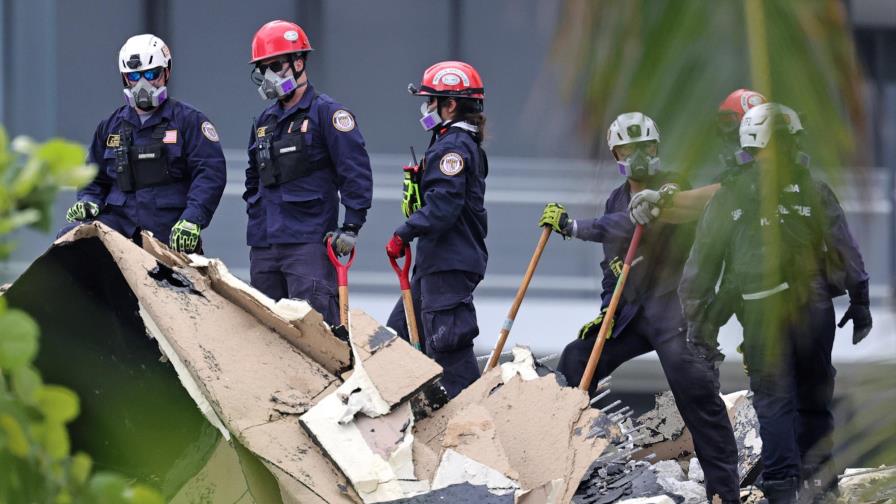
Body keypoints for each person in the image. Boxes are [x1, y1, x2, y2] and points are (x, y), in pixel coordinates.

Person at [541, 112, 741, 504]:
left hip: (673, 310)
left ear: (656, 147)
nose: (638, 155)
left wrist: (577, 226)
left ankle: (725, 495)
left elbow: (631, 225)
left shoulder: (671, 186)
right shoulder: (616, 197)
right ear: (616, 152)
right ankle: (562, 468)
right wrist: (606, 314)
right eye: (628, 148)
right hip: (633, 315)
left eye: (645, 146)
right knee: (578, 359)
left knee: (695, 392)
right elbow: (611, 267)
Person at [679, 103, 872, 503]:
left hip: (764, 312)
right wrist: (860, 300)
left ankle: (783, 488)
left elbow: (698, 272)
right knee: (813, 398)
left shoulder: (730, 194)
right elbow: (846, 250)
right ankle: (820, 486)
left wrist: (701, 330)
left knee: (775, 401)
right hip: (814, 310)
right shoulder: (813, 187)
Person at [244, 20, 373, 326]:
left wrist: (351, 226)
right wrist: (255, 211)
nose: (269, 75)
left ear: (298, 63)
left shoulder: (327, 113)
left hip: (308, 246)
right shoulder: (265, 120)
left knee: (314, 336)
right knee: (266, 336)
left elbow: (354, 171)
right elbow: (253, 176)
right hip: (264, 246)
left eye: (275, 65)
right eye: (263, 68)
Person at [62, 34, 226, 253]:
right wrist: (89, 200)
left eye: (151, 74)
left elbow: (209, 173)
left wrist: (192, 219)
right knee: (70, 238)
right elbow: (93, 175)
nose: (143, 83)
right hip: (119, 228)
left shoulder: (189, 121)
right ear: (124, 78)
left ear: (166, 72)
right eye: (134, 76)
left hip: (169, 231)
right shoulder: (110, 126)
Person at [385, 61, 488, 399]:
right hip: (435, 264)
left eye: (431, 100)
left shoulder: (453, 148)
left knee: (450, 351)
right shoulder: (447, 143)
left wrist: (404, 232)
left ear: (450, 104)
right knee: (396, 340)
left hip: (450, 264)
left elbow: (443, 207)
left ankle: (475, 426)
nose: (426, 107)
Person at [628, 88, 768, 226]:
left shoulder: (772, 173)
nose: (724, 134)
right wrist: (656, 212)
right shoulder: (730, 176)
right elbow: (702, 208)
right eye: (724, 122)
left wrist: (665, 198)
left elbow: (729, 193)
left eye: (729, 123)